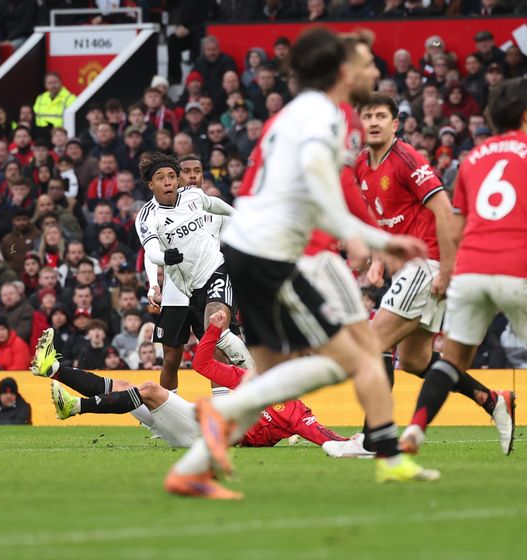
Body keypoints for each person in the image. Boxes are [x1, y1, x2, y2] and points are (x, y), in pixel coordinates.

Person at [163, 29, 435, 499]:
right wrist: (366, 235)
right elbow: (314, 171)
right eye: (368, 62)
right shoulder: (322, 113)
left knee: (272, 377)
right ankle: (386, 456)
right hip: (275, 256)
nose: (375, 70)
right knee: (350, 359)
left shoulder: (295, 114)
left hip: (248, 249)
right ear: (343, 71)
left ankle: (191, 469)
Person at [399, 78, 527, 474]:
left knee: (452, 360)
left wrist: (449, 271)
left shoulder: (474, 157)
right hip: (522, 269)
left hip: (471, 270)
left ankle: (413, 430)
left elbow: (454, 225)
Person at [354, 93, 514, 452]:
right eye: (368, 116)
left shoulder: (407, 159)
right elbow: (384, 218)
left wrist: (447, 269)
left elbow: (445, 211)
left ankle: (372, 438)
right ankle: (493, 401)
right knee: (414, 360)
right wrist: (379, 259)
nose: (374, 122)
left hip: (428, 264)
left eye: (381, 115)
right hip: (407, 267)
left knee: (374, 341)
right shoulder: (362, 166)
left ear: (396, 124)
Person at [33, 311, 349, 449]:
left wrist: (362, 443)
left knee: (149, 390)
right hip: (196, 425)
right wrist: (212, 330)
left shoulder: (297, 413)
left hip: (206, 437)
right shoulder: (248, 379)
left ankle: (74, 408)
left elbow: (325, 437)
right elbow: (201, 363)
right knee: (123, 387)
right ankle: (53, 369)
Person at [135, 152, 243, 392]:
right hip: (176, 293)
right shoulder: (152, 215)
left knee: (219, 348)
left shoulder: (201, 202)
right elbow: (151, 252)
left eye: (197, 171)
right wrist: (154, 283)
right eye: (186, 172)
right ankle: (166, 419)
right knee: (172, 359)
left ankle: (230, 412)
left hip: (209, 283)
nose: (192, 176)